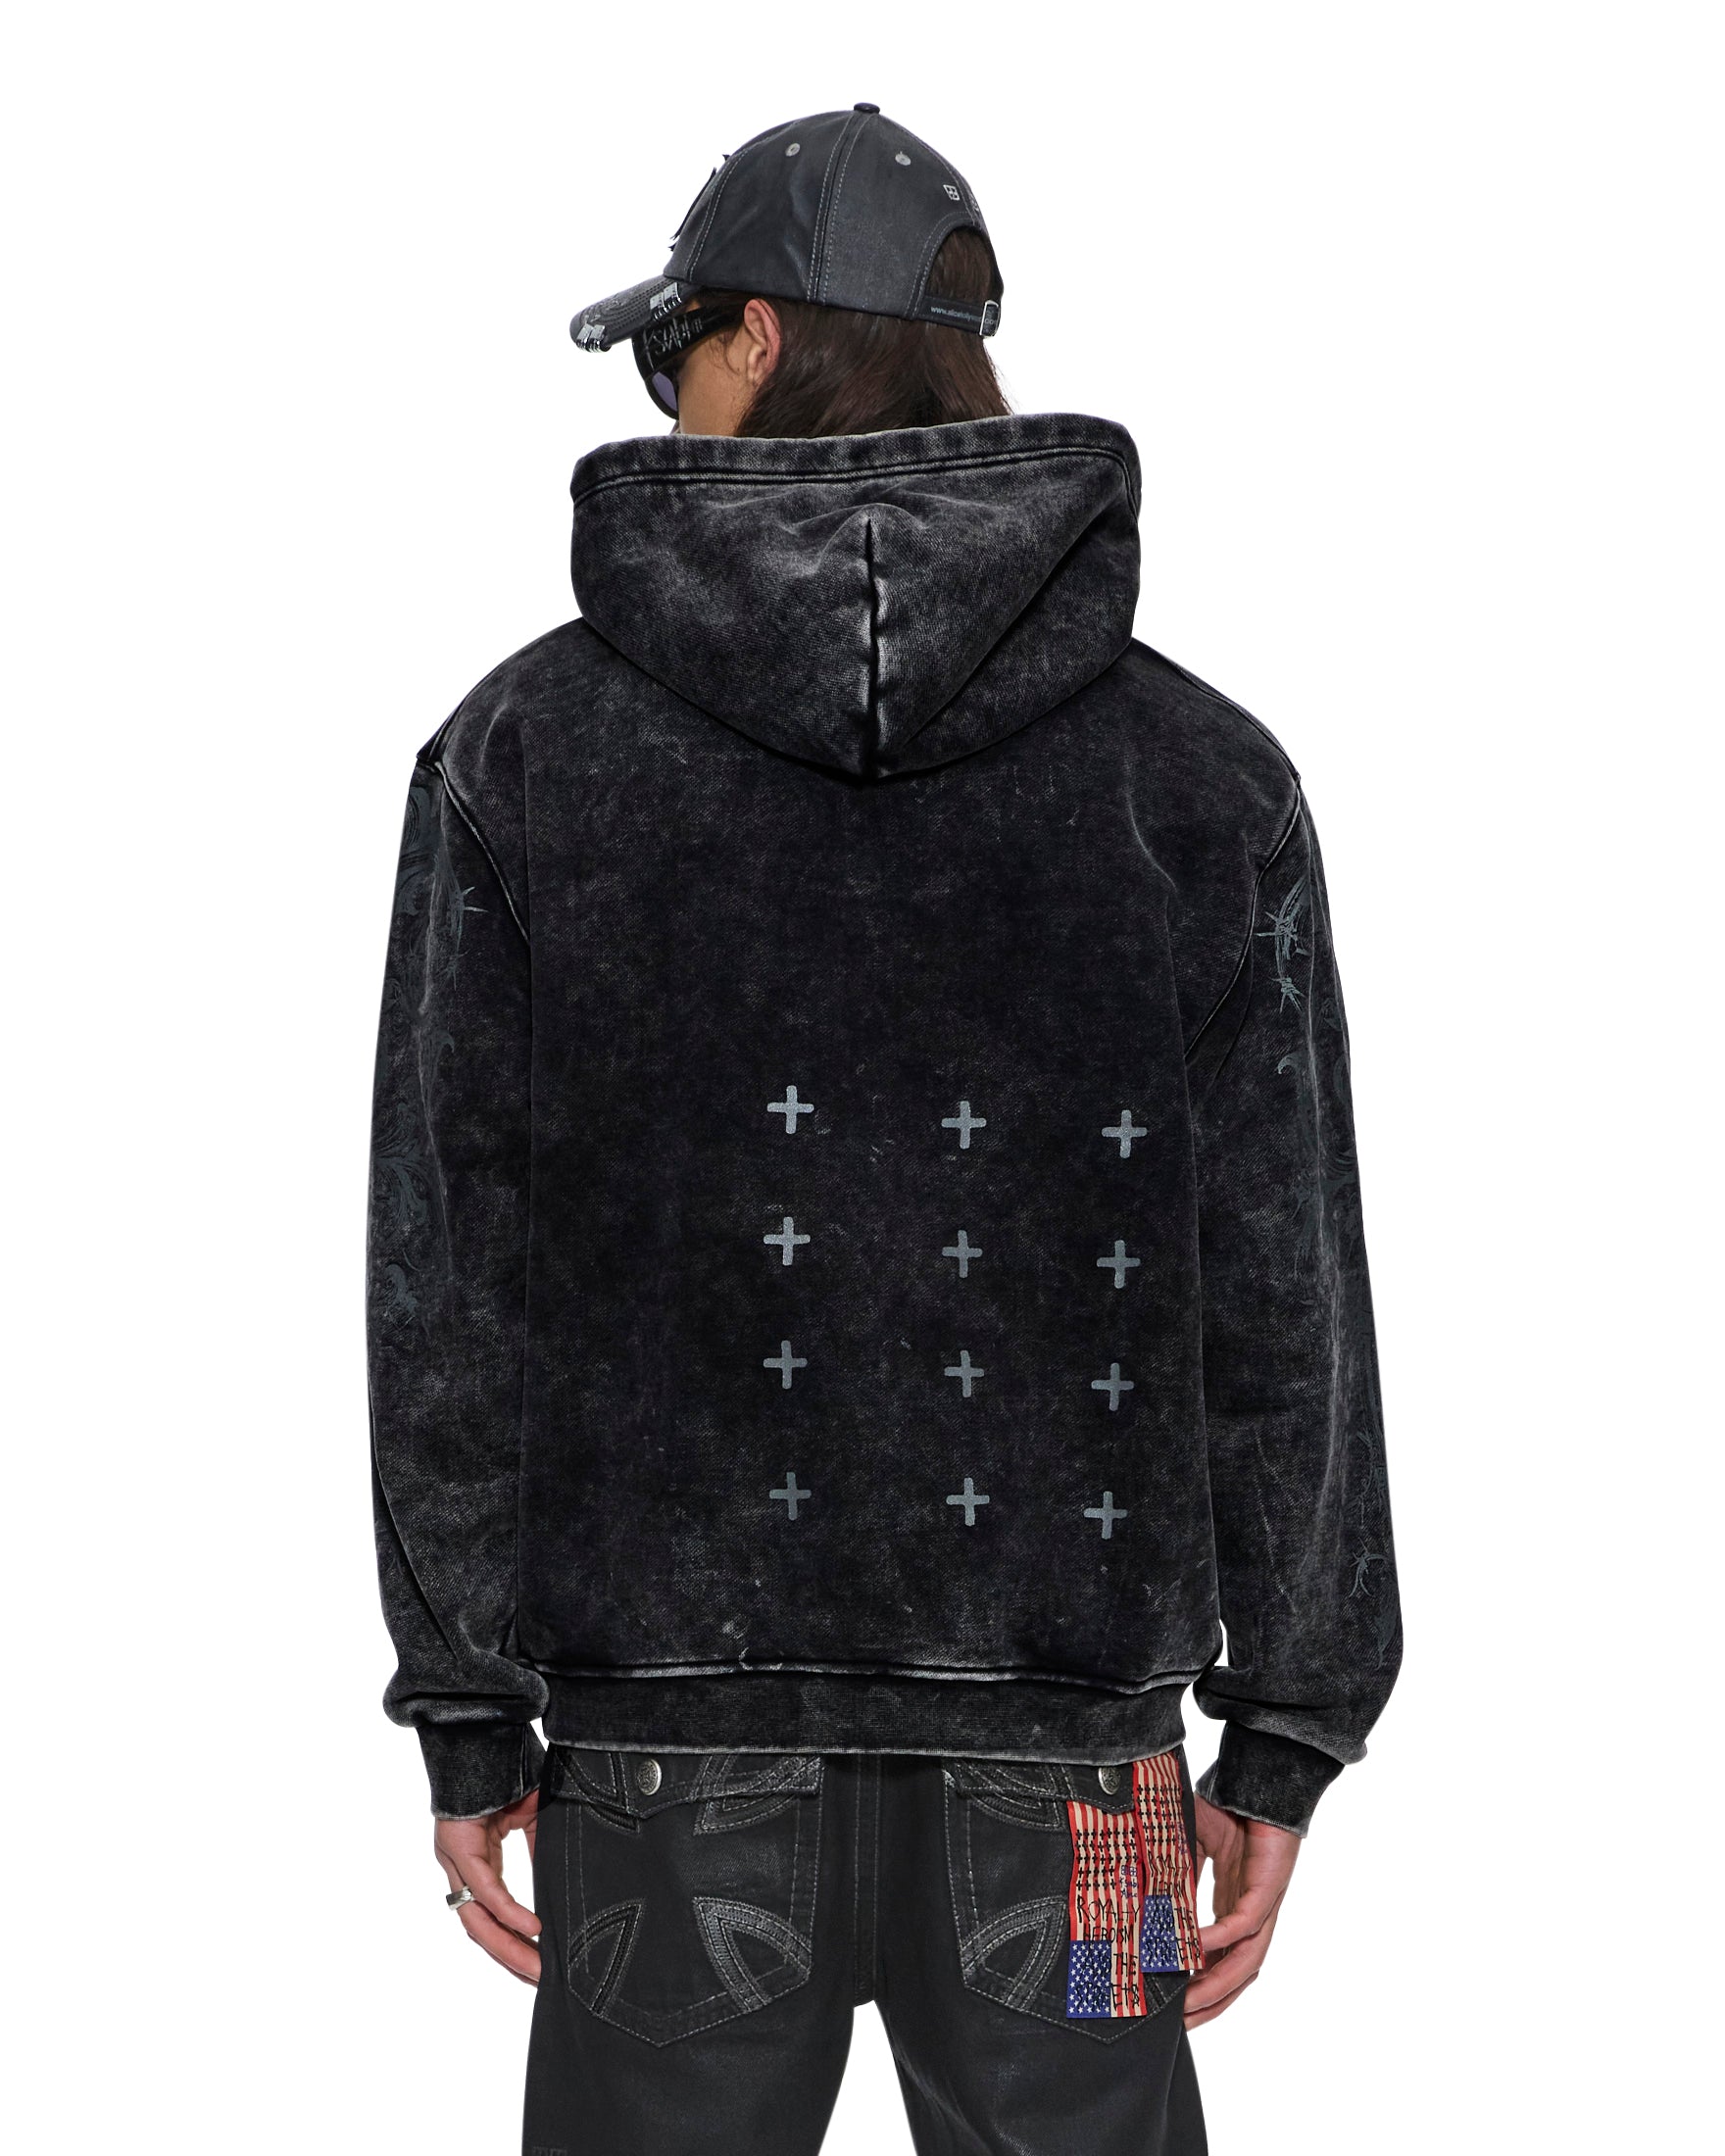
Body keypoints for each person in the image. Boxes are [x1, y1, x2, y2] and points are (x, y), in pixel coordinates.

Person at [366, 102, 1401, 2156]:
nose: (667, 400)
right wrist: (1286, 1727)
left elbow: (452, 1274)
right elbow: (1284, 1280)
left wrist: (467, 1704)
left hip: (663, 1766)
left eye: (672, 352)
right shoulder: (1196, 776)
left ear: (753, 336)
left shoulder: (526, 751)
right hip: (1081, 1779)